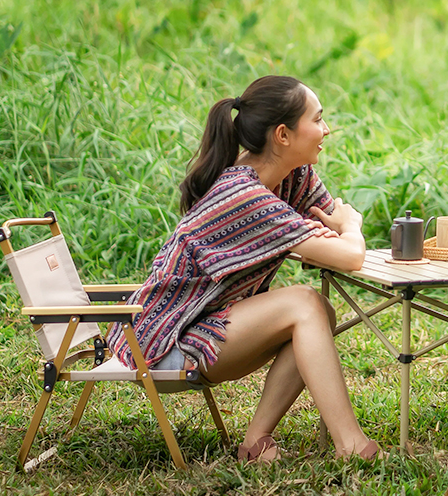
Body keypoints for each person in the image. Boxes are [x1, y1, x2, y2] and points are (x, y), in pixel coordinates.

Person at [107, 75, 382, 462]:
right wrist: (351, 227)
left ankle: (256, 443)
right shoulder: (244, 196)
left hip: (204, 322)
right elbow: (349, 252)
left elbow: (330, 223)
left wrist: (335, 231)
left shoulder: (291, 176)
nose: (326, 129)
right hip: (164, 343)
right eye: (318, 119)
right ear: (283, 135)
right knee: (305, 303)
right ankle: (351, 445)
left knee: (318, 310)